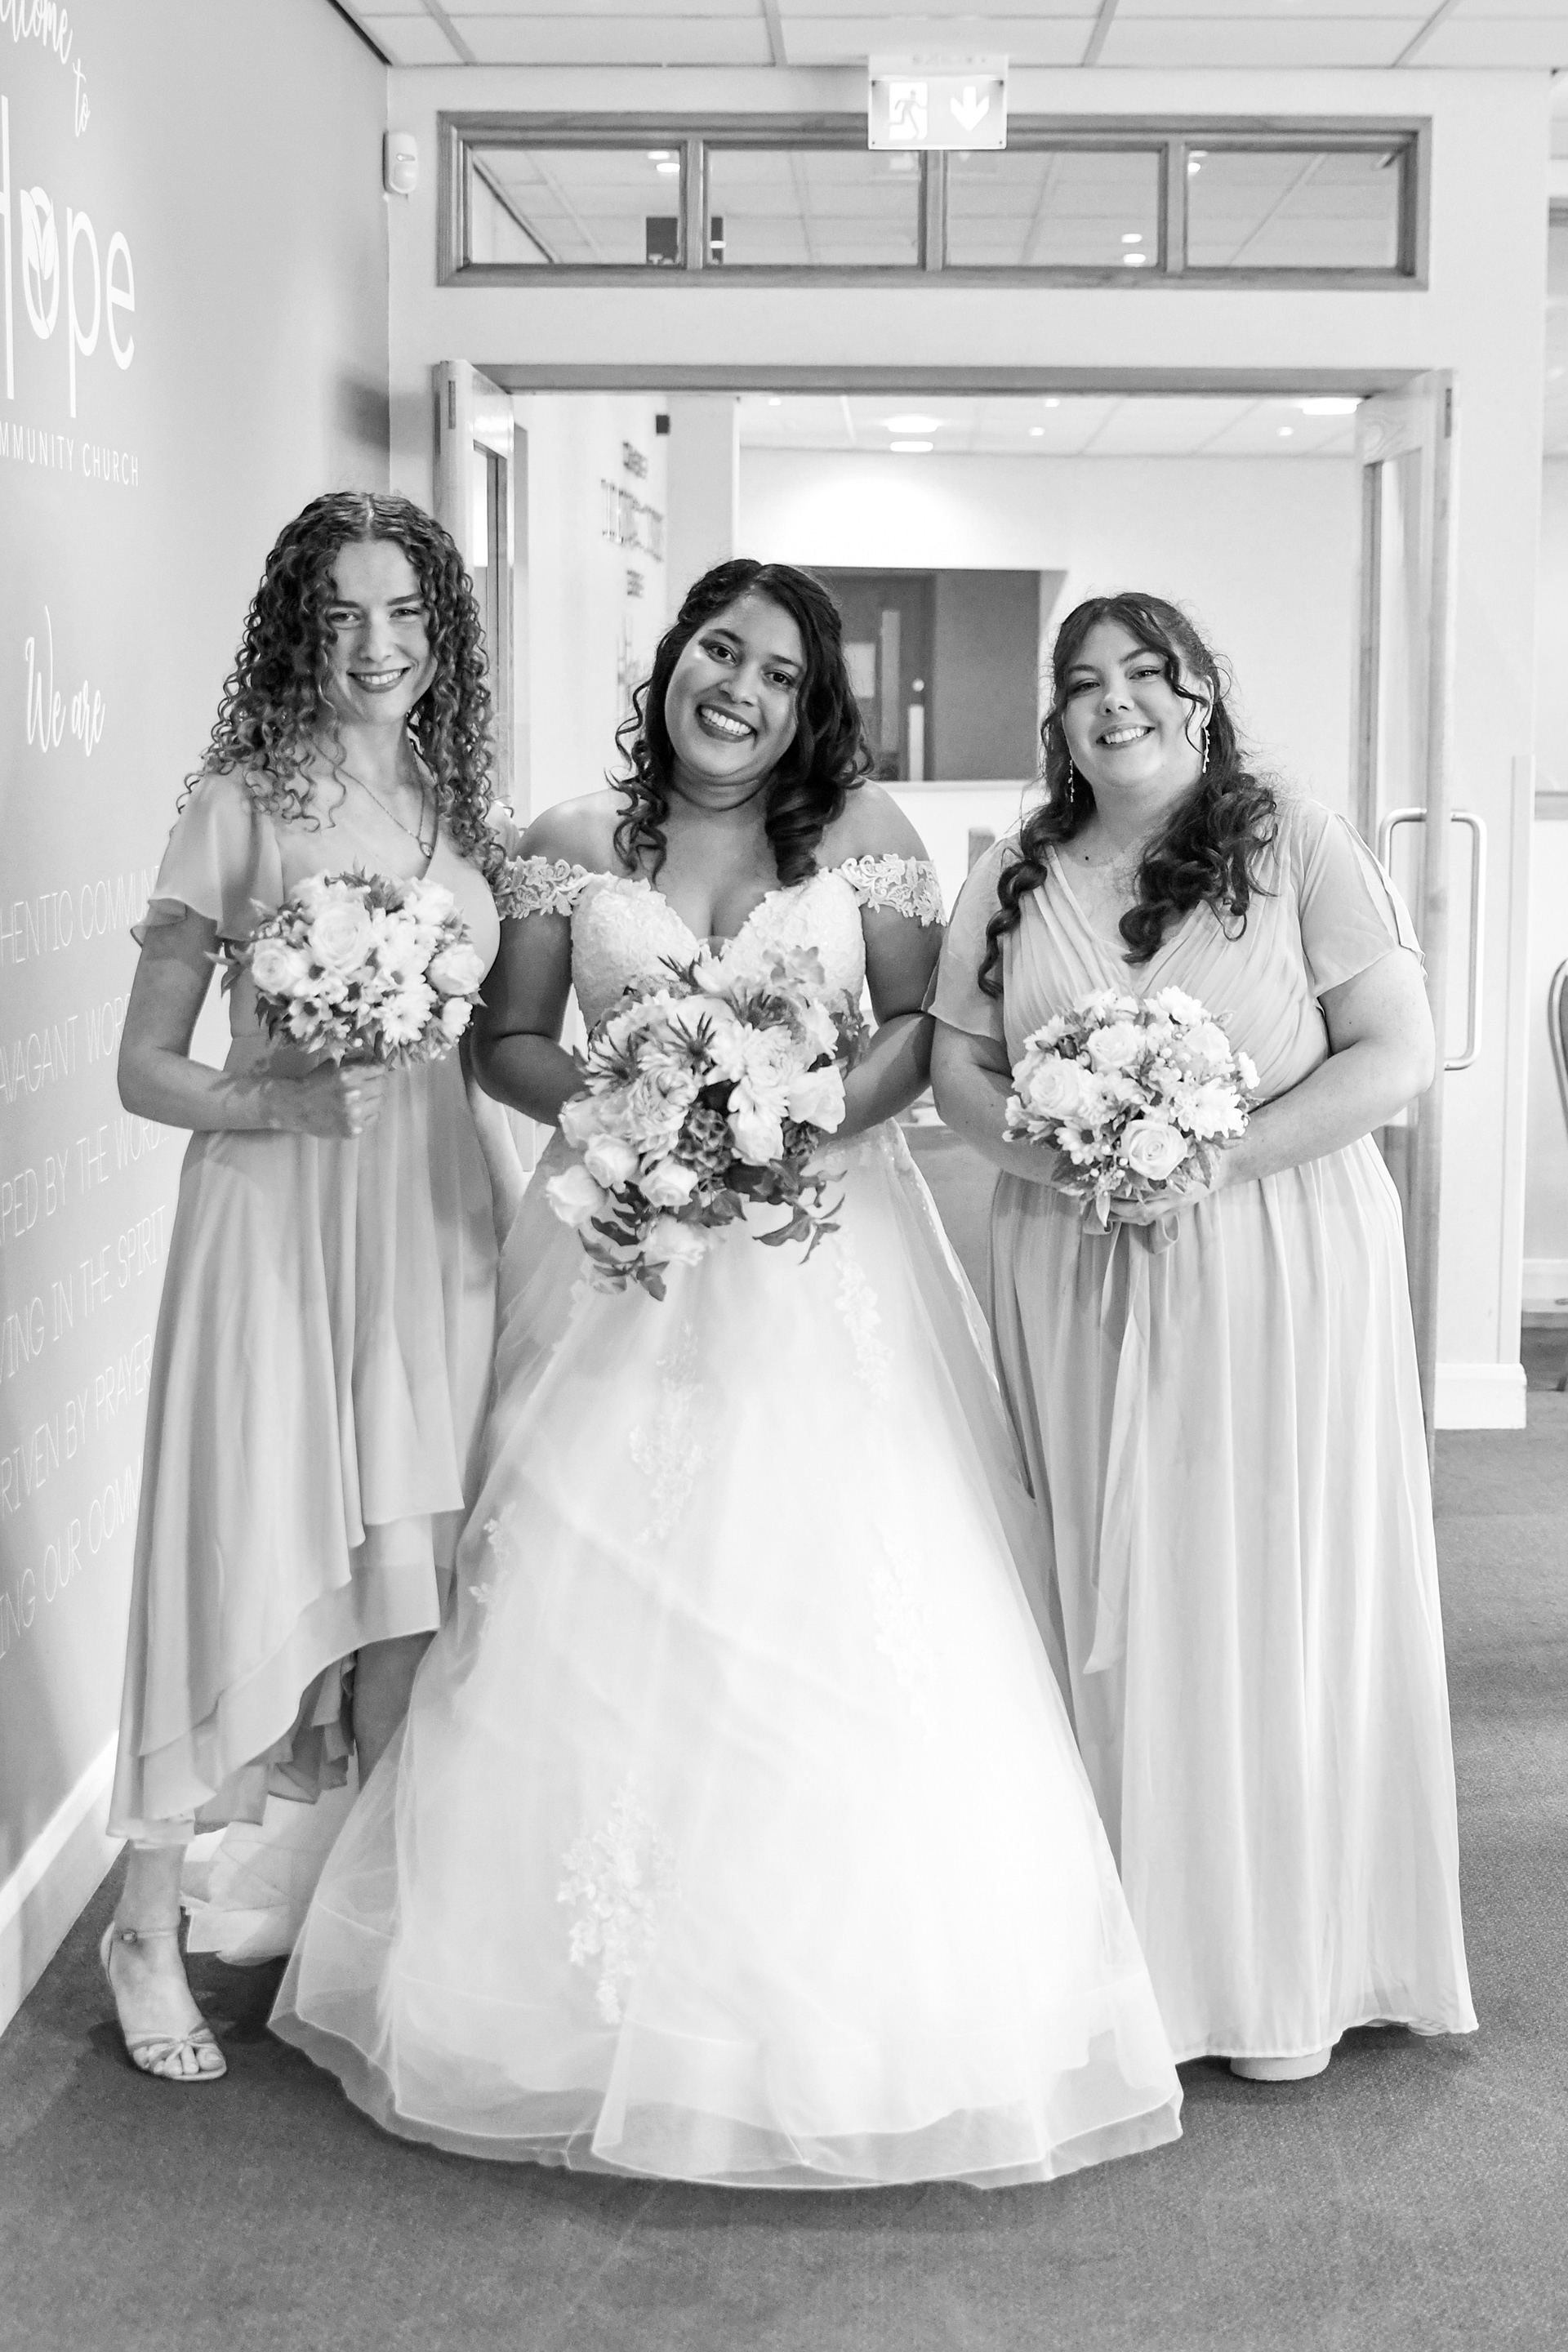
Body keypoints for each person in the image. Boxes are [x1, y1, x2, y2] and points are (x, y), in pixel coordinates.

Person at [270, 559, 1183, 2185]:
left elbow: (911, 1029)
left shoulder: (863, 834)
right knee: (578, 1585)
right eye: (718, 652)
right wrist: (633, 1116)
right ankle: (568, 1997)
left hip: (823, 1254)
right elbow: (508, 1039)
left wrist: (793, 1125)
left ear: (809, 703)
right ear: (674, 660)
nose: (738, 690)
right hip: (615, 1250)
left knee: (839, 1589)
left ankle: (848, 1993)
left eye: (776, 671)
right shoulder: (571, 840)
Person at [930, 591, 1477, 2082]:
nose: (1114, 702)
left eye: (1143, 673)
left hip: (1275, 1254)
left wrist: (1209, 1161)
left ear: (1199, 693)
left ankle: (1282, 1966)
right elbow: (958, 1064)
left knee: (1262, 1573)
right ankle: (1127, 1961)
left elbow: (1399, 1054)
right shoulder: (1015, 870)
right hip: (1071, 1255)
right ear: (1058, 717)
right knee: (1107, 1569)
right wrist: (1062, 1160)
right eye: (1083, 683)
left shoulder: (1297, 841)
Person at [104, 492, 518, 2082]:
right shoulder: (238, 803)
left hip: (431, 1217)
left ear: (443, 632)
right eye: (340, 614)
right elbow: (142, 1067)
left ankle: (369, 1923)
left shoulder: (458, 809)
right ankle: (145, 1923)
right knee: (237, 1545)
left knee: (412, 1572)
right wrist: (274, 1101)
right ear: (297, 631)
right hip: (274, 1219)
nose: (375, 644)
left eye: (403, 611)